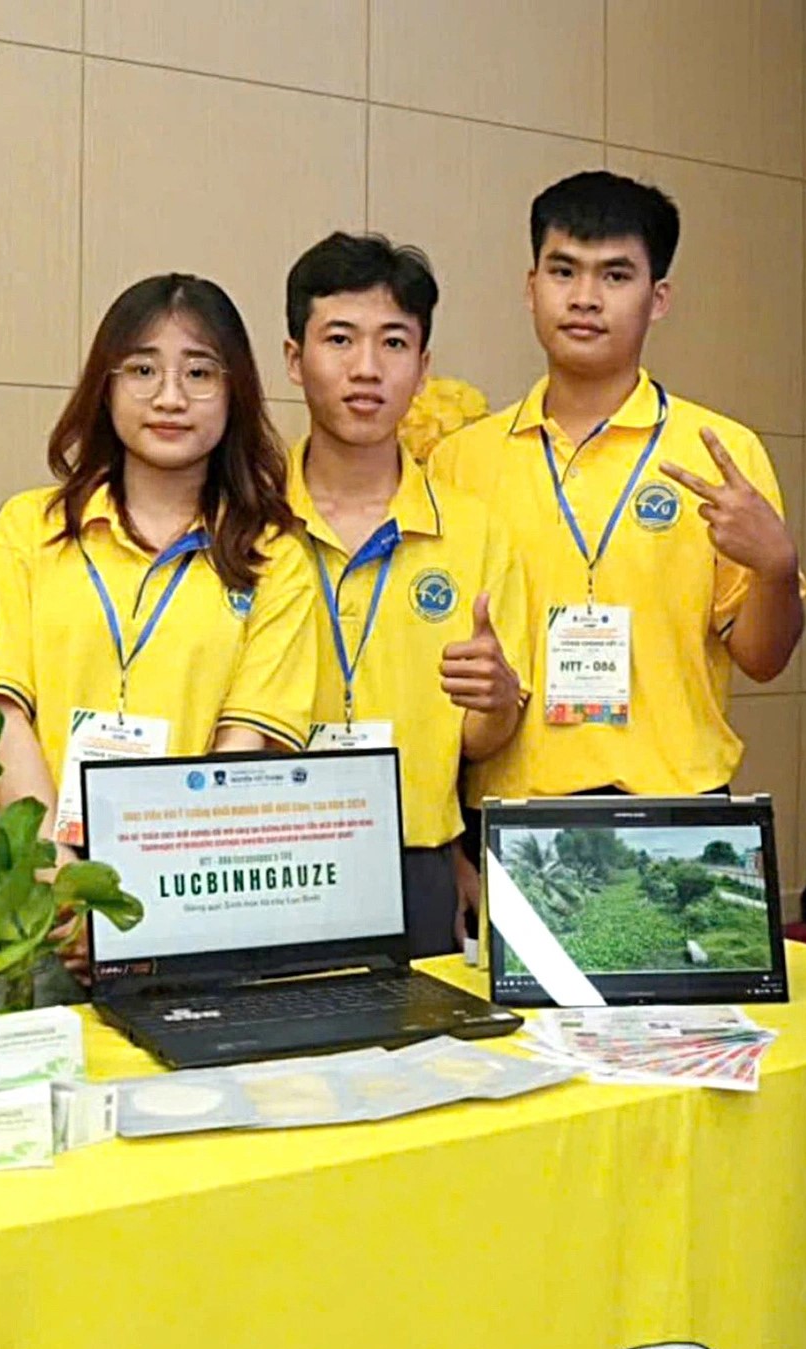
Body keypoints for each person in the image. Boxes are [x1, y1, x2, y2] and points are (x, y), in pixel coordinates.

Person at [0, 273, 318, 995]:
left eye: (199, 372)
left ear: (237, 393)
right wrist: (62, 885)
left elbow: (245, 746)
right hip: (34, 894)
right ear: (104, 385)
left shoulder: (275, 556)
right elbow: (4, 712)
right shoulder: (29, 530)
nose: (170, 397)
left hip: (194, 899)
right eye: (142, 369)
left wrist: (149, 900)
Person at [430, 171, 803, 813]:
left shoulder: (721, 452)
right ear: (531, 287)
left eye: (615, 276)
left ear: (658, 299)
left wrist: (776, 567)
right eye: (563, 271)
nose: (584, 298)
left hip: (677, 810)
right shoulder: (459, 459)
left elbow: (764, 661)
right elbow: (434, 672)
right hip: (510, 815)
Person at [281, 232, 530, 955]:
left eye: (393, 344)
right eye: (339, 339)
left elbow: (484, 741)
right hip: (263, 856)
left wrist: (497, 698)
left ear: (422, 368)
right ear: (295, 360)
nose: (366, 369)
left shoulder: (475, 532)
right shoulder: (246, 521)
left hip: (415, 860)